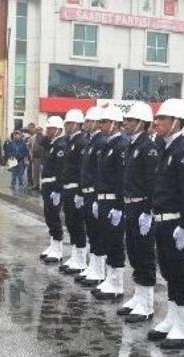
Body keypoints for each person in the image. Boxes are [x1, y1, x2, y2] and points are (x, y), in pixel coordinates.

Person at [146, 98, 184, 350]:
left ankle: (183, 326)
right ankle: (172, 318)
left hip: (175, 223)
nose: (157, 123)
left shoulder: (183, 153)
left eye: (162, 119)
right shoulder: (167, 149)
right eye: (157, 119)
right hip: (162, 221)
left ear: (176, 122)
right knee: (167, 272)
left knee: (179, 274)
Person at [117, 102, 159, 322]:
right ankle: (138, 296)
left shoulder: (147, 148)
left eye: (131, 121)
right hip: (130, 205)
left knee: (144, 255)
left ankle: (147, 303)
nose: (126, 124)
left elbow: (152, 182)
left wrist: (148, 210)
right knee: (133, 251)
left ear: (142, 123)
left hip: (142, 206)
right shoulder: (132, 146)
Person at [90, 105, 130, 300]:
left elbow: (122, 178)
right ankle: (110, 279)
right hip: (104, 198)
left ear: (115, 123)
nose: (101, 125)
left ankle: (117, 284)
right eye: (101, 122)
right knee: (107, 240)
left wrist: (119, 206)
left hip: (114, 200)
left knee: (115, 242)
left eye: (105, 122)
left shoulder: (121, 145)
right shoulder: (107, 144)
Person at [77, 107, 108, 287]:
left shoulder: (100, 142)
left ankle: (99, 270)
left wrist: (96, 196)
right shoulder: (90, 140)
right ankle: (94, 267)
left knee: (98, 234)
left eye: (88, 121)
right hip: (88, 192)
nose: (85, 124)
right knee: (92, 232)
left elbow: (98, 172)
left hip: (95, 193)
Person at [57, 110, 87, 274]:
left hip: (75, 187)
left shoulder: (81, 142)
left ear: (76, 124)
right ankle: (76, 255)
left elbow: (81, 169)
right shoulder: (70, 141)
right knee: (70, 223)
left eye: (68, 123)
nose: (66, 126)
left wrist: (80, 192)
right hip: (68, 187)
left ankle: (81, 258)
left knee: (77, 224)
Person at [38, 116, 65, 262]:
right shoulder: (52, 144)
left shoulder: (60, 145)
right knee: (48, 216)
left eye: (50, 129)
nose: (47, 131)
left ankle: (58, 248)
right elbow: (42, 144)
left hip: (54, 185)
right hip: (47, 184)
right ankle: (53, 244)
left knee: (54, 217)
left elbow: (60, 170)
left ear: (57, 130)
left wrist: (57, 190)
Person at [28, 126, 45, 190]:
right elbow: (29, 146)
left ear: (42, 130)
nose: (39, 131)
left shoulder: (45, 137)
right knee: (35, 172)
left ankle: (42, 186)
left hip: (43, 157)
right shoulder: (32, 138)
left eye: (40, 130)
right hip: (35, 157)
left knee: (42, 172)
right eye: (37, 130)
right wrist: (30, 154)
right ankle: (36, 184)